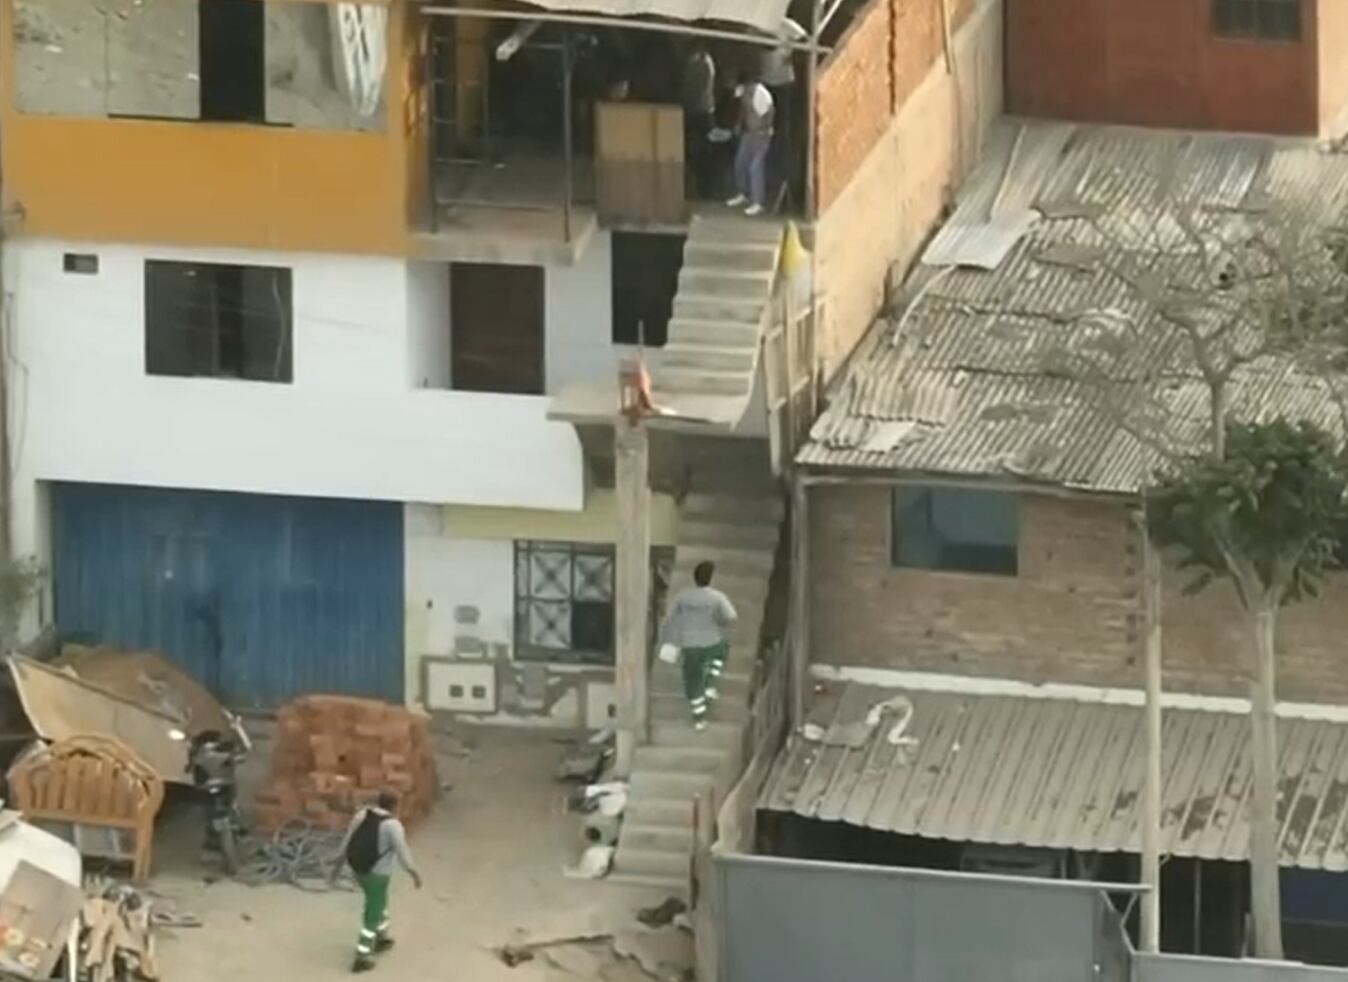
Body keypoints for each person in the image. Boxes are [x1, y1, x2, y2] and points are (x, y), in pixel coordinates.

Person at [331, 791, 423, 974]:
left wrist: (337, 866)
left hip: (359, 870)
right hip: (378, 875)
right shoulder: (393, 826)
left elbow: (347, 841)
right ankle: (362, 956)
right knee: (372, 912)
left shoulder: (362, 815)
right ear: (395, 806)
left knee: (380, 902)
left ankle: (381, 937)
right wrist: (414, 874)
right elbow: (402, 853)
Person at [661, 560, 738, 730]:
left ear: (694, 578)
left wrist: (672, 638)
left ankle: (699, 719)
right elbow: (731, 616)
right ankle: (710, 682)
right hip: (711, 642)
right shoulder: (717, 597)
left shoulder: (683, 597)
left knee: (693, 680)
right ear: (711, 578)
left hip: (690, 646)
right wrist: (719, 621)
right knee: (722, 651)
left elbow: (670, 618)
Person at [760, 18, 807, 204]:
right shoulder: (760, 23)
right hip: (766, 81)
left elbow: (806, 40)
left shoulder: (786, 25)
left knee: (783, 128)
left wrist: (791, 55)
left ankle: (782, 161)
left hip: (783, 83)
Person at [726, 72, 775, 217]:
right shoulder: (745, 93)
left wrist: (762, 129)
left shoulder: (761, 94)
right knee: (740, 162)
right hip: (748, 134)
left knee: (755, 167)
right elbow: (743, 108)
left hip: (762, 136)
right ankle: (743, 194)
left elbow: (770, 113)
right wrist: (739, 124)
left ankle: (758, 202)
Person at [682, 41, 717, 199]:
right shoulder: (698, 61)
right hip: (699, 111)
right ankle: (699, 190)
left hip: (700, 112)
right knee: (696, 151)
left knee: (701, 152)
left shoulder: (702, 62)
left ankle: (704, 191)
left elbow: (696, 89)